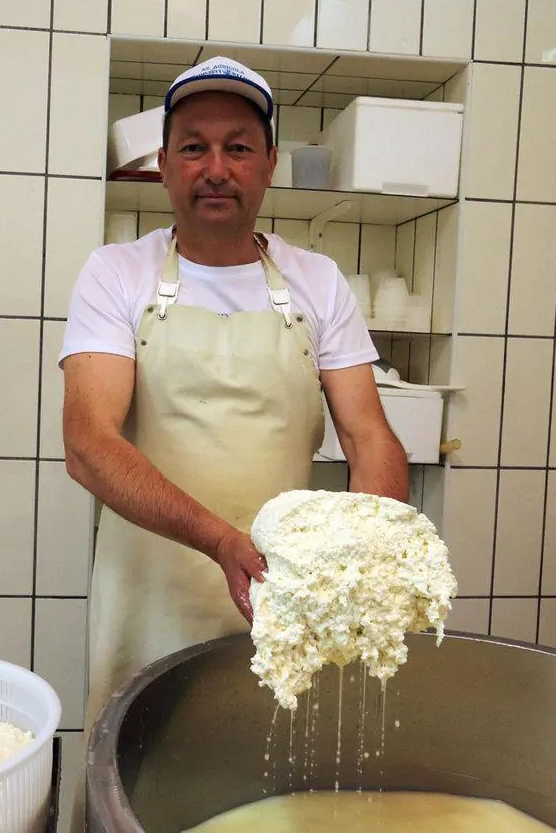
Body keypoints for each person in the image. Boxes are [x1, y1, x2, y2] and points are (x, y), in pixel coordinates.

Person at [59, 56, 409, 829]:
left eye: (238, 147)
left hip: (279, 606)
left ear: (269, 163)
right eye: (194, 147)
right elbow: (87, 442)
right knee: (136, 789)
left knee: (260, 798)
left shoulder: (317, 282)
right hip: (147, 602)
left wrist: (362, 552)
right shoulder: (118, 274)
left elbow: (371, 436)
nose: (215, 168)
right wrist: (221, 540)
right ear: (163, 164)